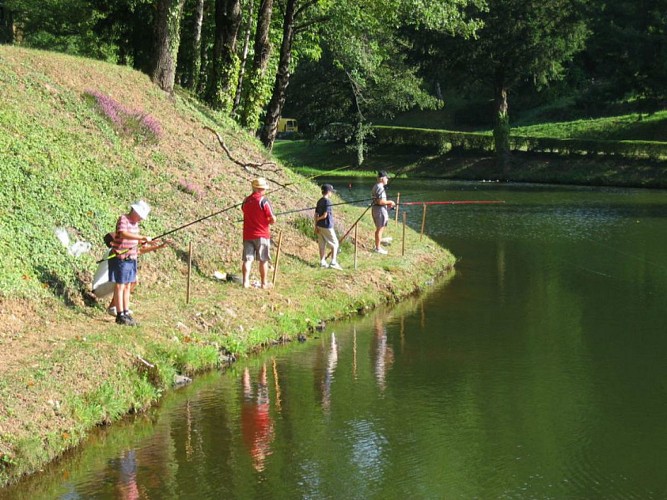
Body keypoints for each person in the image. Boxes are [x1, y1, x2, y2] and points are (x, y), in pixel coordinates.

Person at [109, 200, 152, 326]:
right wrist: (141, 238)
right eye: (140, 215)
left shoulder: (136, 224)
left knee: (128, 285)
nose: (141, 219)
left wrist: (142, 242)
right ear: (135, 211)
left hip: (132, 258)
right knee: (120, 285)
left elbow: (134, 240)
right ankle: (120, 314)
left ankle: (126, 312)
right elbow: (123, 234)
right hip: (121, 257)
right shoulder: (123, 219)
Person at [107, 238, 169, 317]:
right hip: (120, 260)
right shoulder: (128, 241)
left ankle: (120, 307)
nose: (145, 244)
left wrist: (159, 246)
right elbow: (137, 248)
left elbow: (139, 251)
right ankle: (115, 308)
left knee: (132, 281)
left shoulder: (134, 244)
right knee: (122, 284)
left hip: (128, 260)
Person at [242, 178, 276, 289]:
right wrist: (269, 221)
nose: (264, 191)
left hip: (247, 234)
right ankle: (263, 283)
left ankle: (245, 282)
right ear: (260, 189)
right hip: (262, 234)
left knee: (247, 259)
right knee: (263, 259)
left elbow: (245, 211)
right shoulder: (263, 201)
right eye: (263, 189)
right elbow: (272, 218)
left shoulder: (246, 200)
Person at [314, 183, 343, 270]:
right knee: (335, 244)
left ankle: (322, 262)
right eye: (331, 192)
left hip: (319, 226)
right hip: (327, 225)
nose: (332, 193)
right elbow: (325, 215)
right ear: (328, 192)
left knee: (322, 243)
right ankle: (333, 262)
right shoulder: (328, 202)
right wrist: (319, 219)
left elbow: (316, 214)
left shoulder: (319, 201)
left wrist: (316, 225)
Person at [371, 170, 395, 254]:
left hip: (377, 209)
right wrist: (390, 202)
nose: (387, 179)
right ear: (382, 178)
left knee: (379, 229)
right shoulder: (380, 187)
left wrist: (386, 203)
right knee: (379, 229)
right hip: (379, 210)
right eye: (386, 178)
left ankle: (378, 244)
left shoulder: (376, 186)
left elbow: (378, 201)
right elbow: (380, 202)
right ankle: (378, 248)